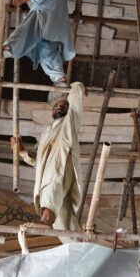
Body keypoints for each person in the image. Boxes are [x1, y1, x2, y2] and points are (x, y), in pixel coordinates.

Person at [18, 82, 85, 235]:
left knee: (52, 192)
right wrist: (23, 153)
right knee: (64, 221)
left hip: (59, 169)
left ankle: (45, 221)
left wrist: (75, 86)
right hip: (46, 175)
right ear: (52, 112)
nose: (59, 107)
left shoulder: (70, 123)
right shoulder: (45, 134)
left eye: (64, 105)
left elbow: (77, 99)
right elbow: (40, 163)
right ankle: (77, 244)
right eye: (57, 105)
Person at [0, 0, 75, 87]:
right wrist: (25, 2)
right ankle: (59, 77)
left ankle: (10, 47)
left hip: (46, 18)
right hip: (53, 27)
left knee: (26, 29)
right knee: (48, 52)